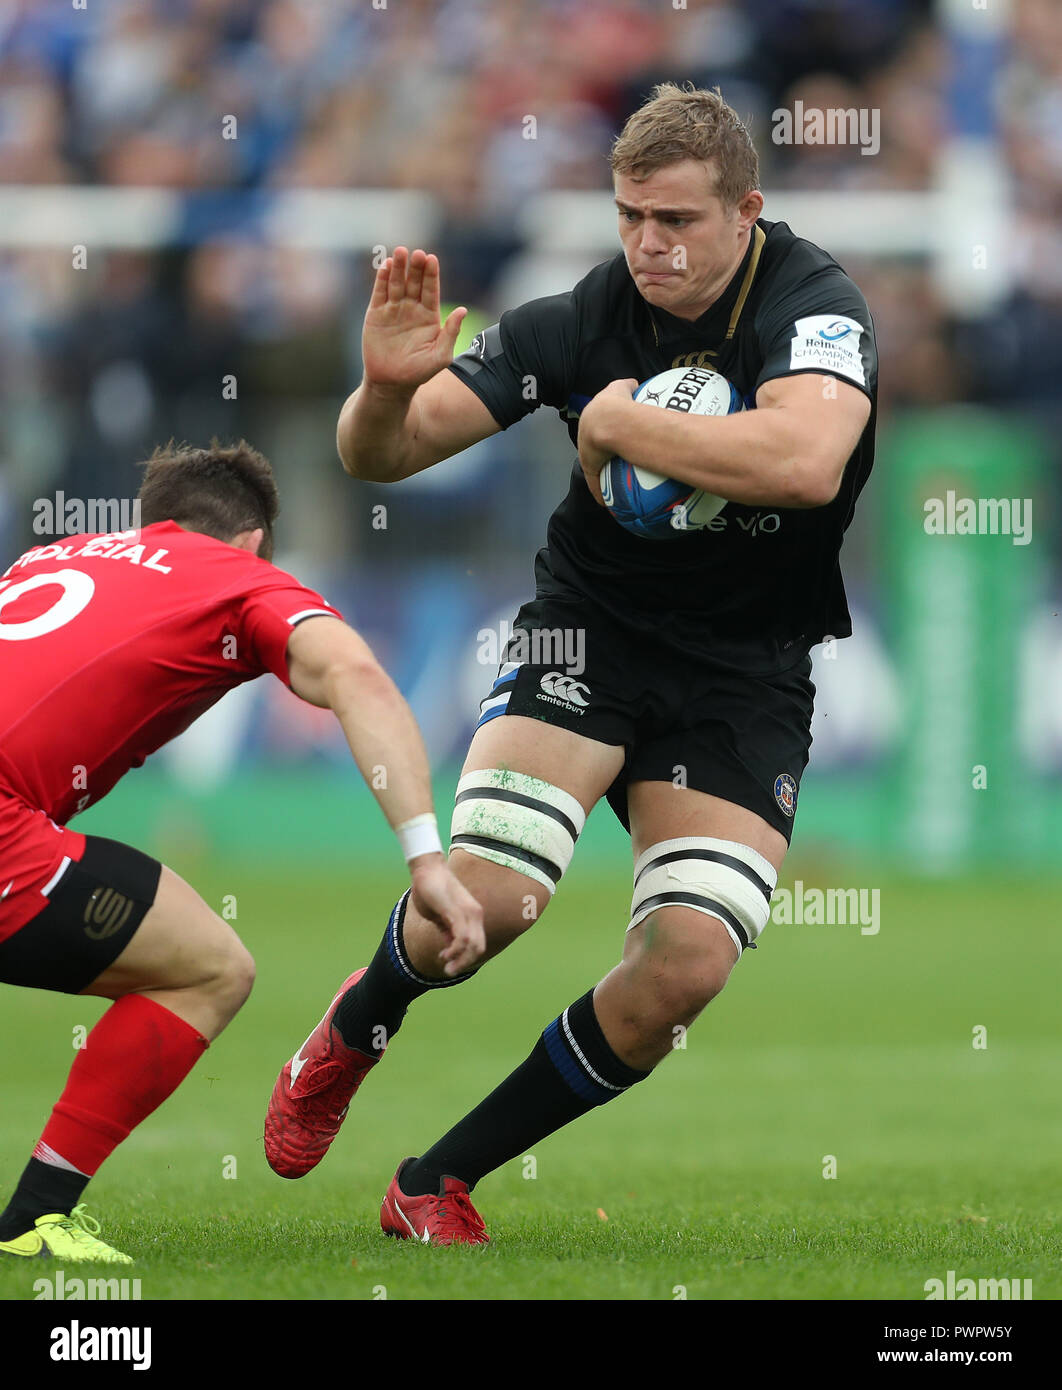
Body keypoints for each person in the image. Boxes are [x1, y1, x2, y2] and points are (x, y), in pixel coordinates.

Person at [264, 82, 877, 1245]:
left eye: (680, 220)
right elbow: (383, 458)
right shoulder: (575, 318)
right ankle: (356, 1023)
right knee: (485, 908)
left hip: (746, 671)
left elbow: (804, 460)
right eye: (631, 215)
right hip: (586, 630)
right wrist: (383, 391)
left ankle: (435, 1178)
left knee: (684, 967)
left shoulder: (814, 305)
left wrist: (616, 424)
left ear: (747, 210)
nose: (650, 243)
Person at [0, 441, 482, 1264]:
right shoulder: (240, 580)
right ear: (256, 541)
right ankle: (34, 1219)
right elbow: (356, 676)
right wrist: (426, 859)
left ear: (151, 521)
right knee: (210, 968)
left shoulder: (53, 556)